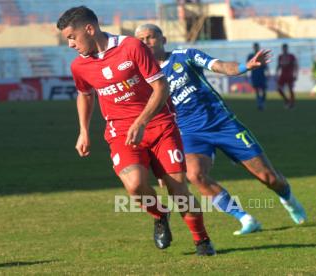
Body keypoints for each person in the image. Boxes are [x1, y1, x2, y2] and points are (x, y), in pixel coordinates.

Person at [57, 6, 215, 256]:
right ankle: (159, 214)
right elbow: (85, 95)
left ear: (89, 29)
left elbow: (161, 87)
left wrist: (141, 121)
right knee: (134, 186)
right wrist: (83, 131)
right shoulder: (80, 66)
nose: (70, 44)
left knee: (178, 189)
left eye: (72, 37)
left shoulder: (132, 47)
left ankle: (202, 241)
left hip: (160, 126)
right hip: (121, 134)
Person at [135, 24, 306, 236]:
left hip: (223, 124)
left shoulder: (185, 55)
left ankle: (288, 199)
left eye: (150, 37)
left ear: (163, 39)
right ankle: (245, 218)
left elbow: (220, 66)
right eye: (141, 39)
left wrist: (246, 67)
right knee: (196, 175)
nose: (146, 42)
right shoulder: (141, 77)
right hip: (189, 133)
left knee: (269, 178)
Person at [247, 43, 269, 110]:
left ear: (258, 47)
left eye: (256, 47)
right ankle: (259, 103)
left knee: (264, 90)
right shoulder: (250, 56)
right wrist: (245, 74)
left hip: (262, 74)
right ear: (253, 48)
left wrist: (268, 72)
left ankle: (262, 102)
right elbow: (247, 65)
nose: (256, 48)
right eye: (255, 47)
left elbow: (266, 64)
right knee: (257, 90)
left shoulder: (261, 55)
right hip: (254, 75)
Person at [276, 43, 298, 109]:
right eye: (283, 48)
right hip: (282, 75)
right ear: (282, 49)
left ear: (287, 48)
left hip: (290, 75)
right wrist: (276, 73)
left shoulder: (291, 56)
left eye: (285, 48)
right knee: (279, 88)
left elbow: (295, 65)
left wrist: (295, 74)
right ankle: (287, 100)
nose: (284, 49)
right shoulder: (280, 56)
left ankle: (292, 104)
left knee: (290, 89)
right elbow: (279, 65)